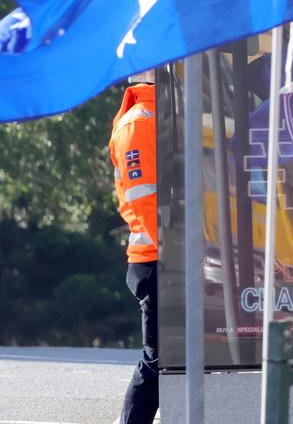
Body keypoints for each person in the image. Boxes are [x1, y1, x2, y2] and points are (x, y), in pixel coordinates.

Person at [110, 75, 159, 424]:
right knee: (158, 361)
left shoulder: (159, 114)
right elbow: (144, 198)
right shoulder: (138, 121)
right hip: (158, 259)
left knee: (169, 360)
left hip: (166, 257)